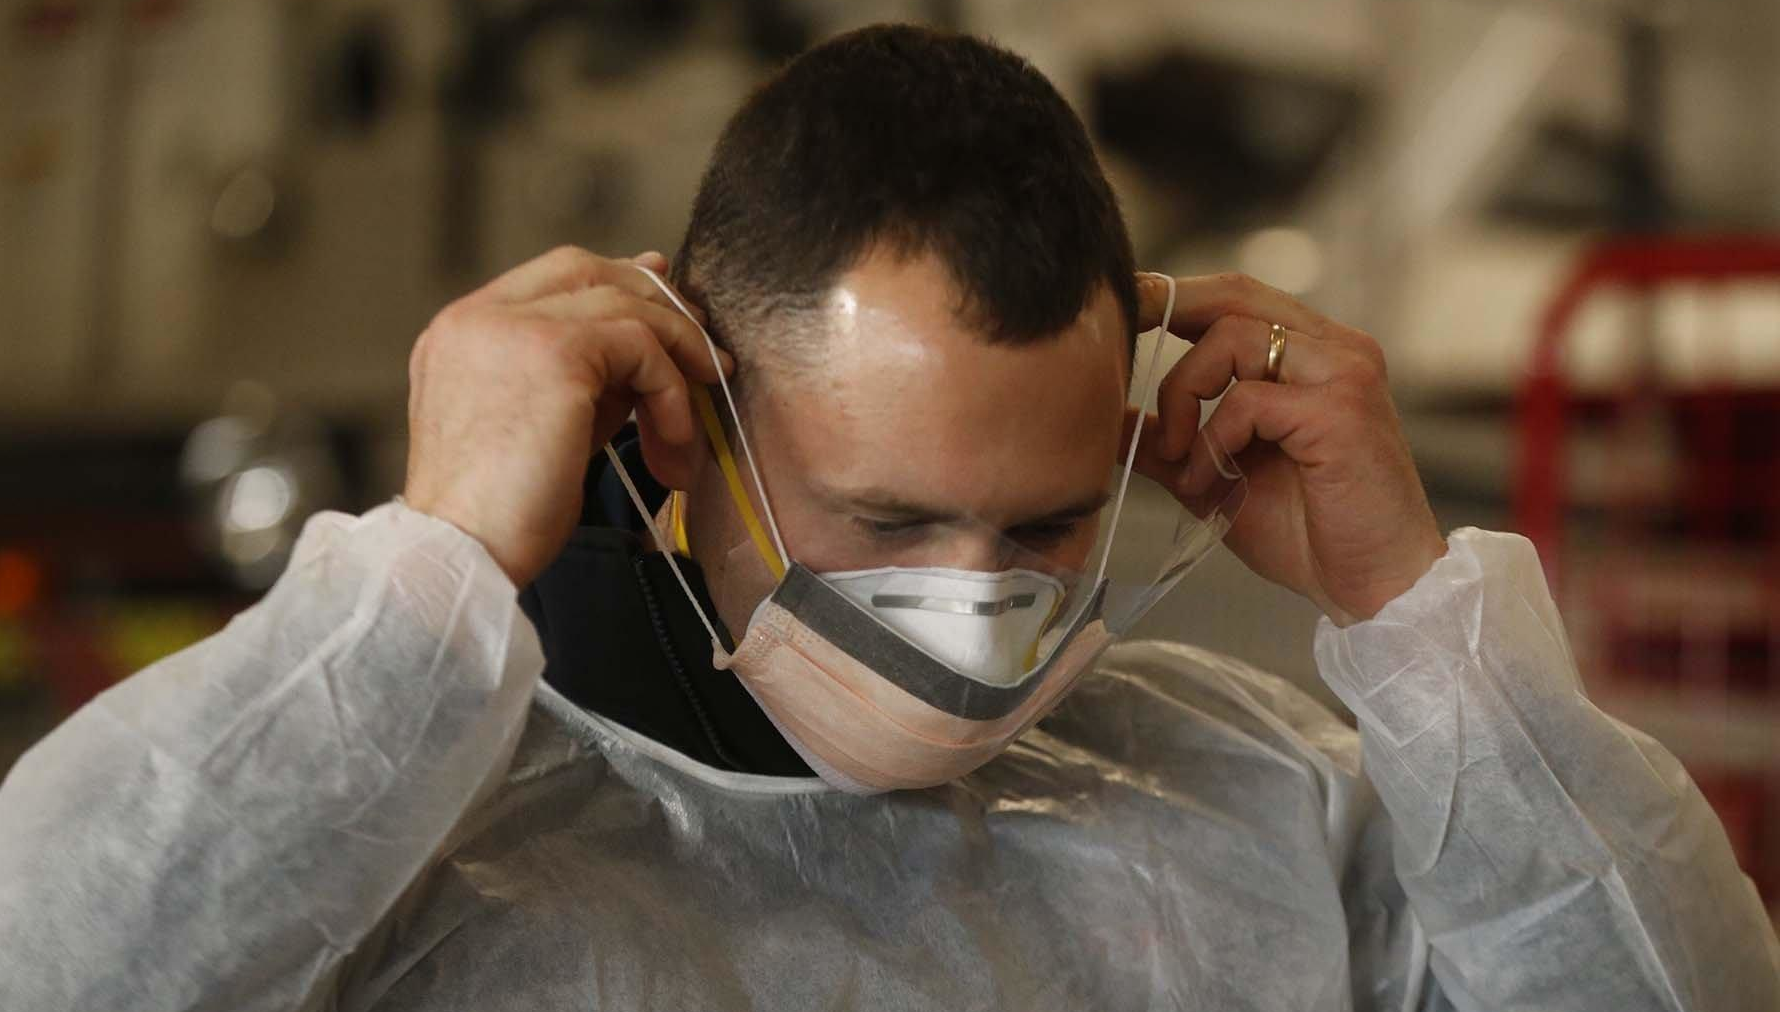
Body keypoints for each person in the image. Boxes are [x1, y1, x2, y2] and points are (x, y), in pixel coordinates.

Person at [2, 23, 1775, 1012]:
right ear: (682, 422)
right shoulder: (405, 830)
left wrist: (1409, 613)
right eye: (889, 514)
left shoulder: (1259, 807)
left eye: (1045, 526)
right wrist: (431, 573)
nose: (973, 602)